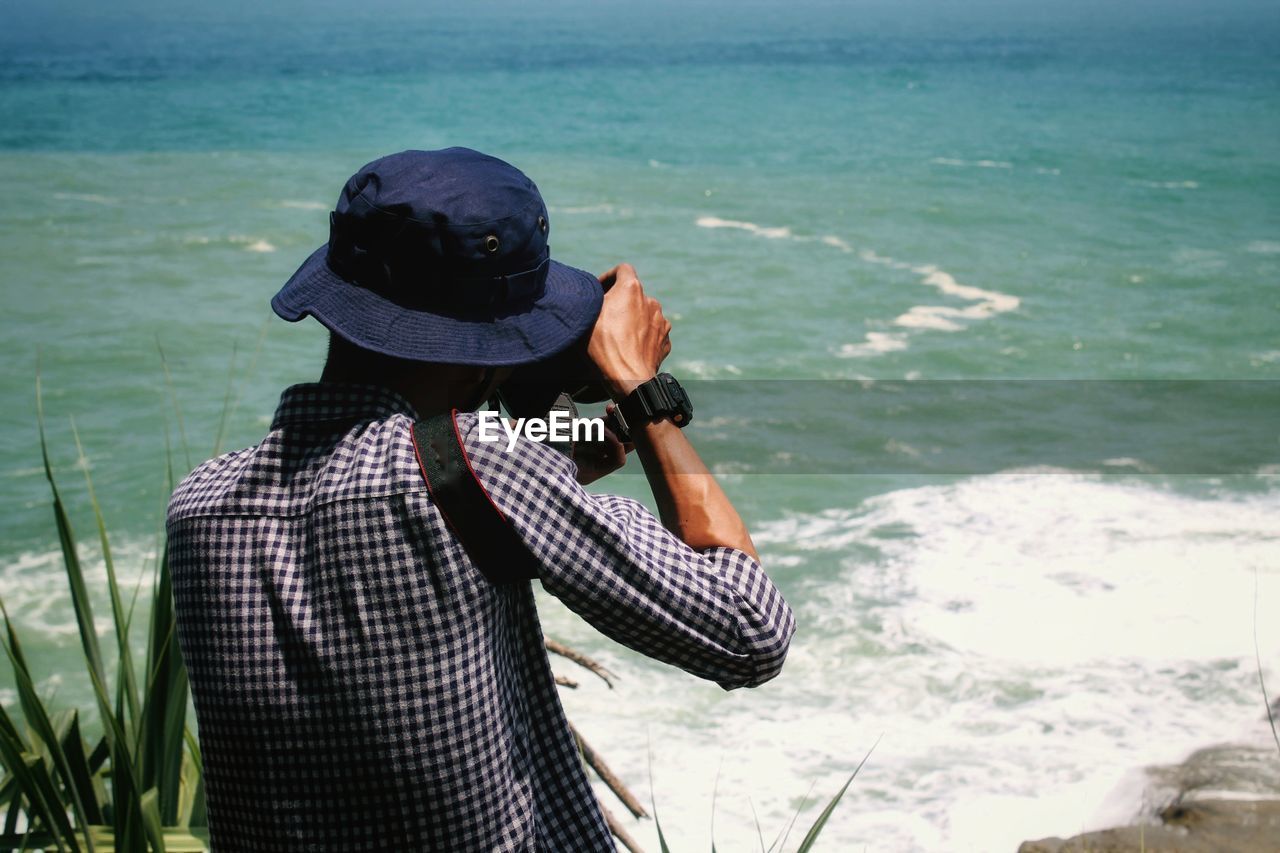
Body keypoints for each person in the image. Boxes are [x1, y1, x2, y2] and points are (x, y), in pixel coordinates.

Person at [167, 147, 795, 852]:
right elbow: (750, 630)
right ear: (483, 349)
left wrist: (544, 465)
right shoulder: (486, 470)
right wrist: (638, 387)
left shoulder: (199, 508)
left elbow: (393, 525)